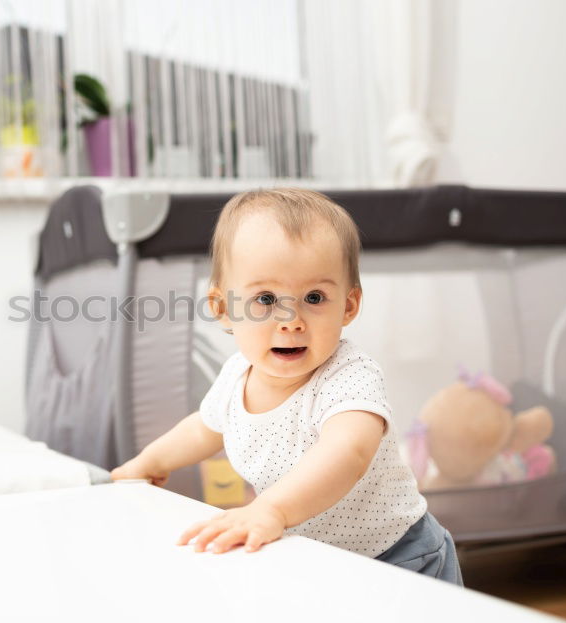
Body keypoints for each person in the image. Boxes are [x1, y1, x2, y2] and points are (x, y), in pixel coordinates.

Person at [111, 188, 462, 585]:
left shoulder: (350, 375)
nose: (291, 319)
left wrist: (271, 510)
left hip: (399, 557)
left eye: (314, 297)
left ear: (347, 306)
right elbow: (202, 428)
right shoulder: (235, 375)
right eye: (265, 298)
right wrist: (148, 464)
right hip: (319, 557)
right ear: (223, 308)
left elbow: (347, 452)